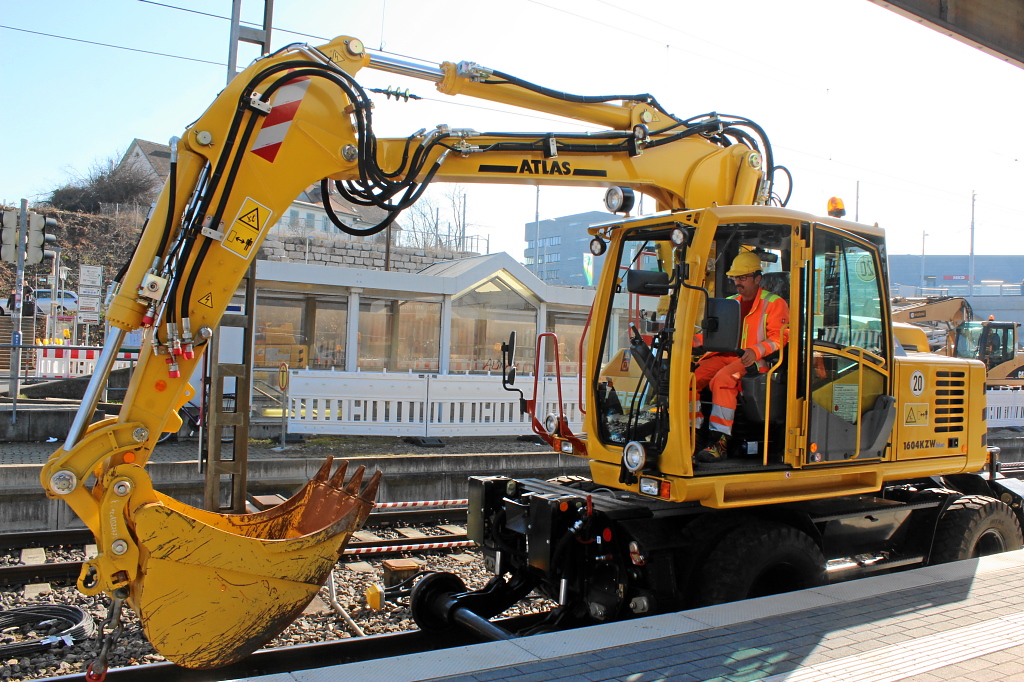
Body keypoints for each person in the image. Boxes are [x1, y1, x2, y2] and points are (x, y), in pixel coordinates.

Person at [692, 250, 790, 462]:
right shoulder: (730, 302)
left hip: (754, 362)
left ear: (758, 278)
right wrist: (693, 341)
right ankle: (692, 435)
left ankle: (719, 442)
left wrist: (755, 351)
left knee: (723, 380)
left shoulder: (775, 303)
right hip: (723, 355)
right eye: (735, 278)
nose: (738, 282)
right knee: (689, 379)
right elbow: (713, 333)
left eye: (743, 278)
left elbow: (780, 337)